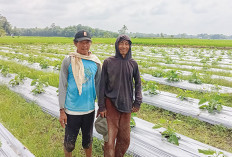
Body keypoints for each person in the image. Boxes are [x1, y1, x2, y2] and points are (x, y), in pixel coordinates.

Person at [97, 34, 142, 157]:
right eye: (121, 43)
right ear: (117, 45)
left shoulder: (133, 64)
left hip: (127, 105)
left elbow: (138, 83)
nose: (124, 46)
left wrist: (137, 101)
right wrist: (101, 106)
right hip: (110, 105)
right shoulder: (108, 62)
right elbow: (102, 86)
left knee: (124, 139)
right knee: (110, 140)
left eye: (126, 44)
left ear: (130, 46)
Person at [58, 30, 102, 157]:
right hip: (71, 110)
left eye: (87, 42)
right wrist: (62, 110)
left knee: (88, 141)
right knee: (69, 143)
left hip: (89, 109)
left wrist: (101, 106)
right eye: (81, 42)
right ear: (75, 43)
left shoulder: (95, 62)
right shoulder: (68, 61)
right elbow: (62, 86)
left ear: (91, 43)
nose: (85, 46)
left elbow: (99, 85)